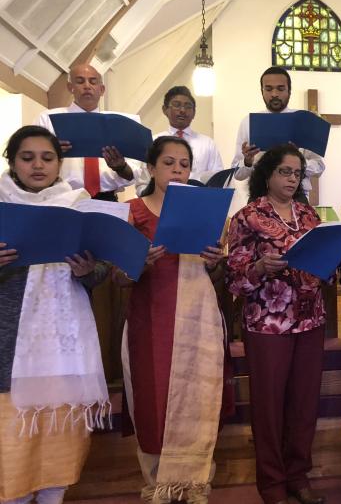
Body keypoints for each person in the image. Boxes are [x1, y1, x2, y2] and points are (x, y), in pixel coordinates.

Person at [0, 126, 109, 504]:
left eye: (47, 157)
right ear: (12, 163)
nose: (38, 165)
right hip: (11, 344)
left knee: (60, 437)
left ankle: (52, 495)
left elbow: (99, 272)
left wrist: (85, 270)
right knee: (11, 443)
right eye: (27, 158)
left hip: (63, 345)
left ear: (59, 163)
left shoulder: (78, 203)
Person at [116, 136, 226, 503]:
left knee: (200, 395)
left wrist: (214, 260)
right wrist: (138, 261)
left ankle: (195, 482)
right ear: (150, 168)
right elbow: (117, 274)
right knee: (153, 397)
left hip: (198, 315)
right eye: (169, 163)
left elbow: (215, 270)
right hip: (152, 315)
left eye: (184, 164)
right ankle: (158, 482)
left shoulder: (205, 211)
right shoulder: (134, 211)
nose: (178, 170)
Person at [226, 144, 329, 504]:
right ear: (267, 174)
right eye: (284, 171)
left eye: (297, 173)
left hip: (310, 320)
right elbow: (234, 278)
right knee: (269, 407)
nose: (292, 178)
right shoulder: (247, 217)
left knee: (304, 404)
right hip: (267, 323)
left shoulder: (308, 214)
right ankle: (272, 485)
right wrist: (258, 268)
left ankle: (298, 476)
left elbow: (323, 262)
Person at [34, 63, 142, 200]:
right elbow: (32, 161)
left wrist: (120, 166)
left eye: (93, 81)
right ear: (70, 87)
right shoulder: (48, 119)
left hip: (107, 198)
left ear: (102, 89)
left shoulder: (121, 123)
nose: (87, 86)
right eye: (80, 81)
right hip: (60, 197)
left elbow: (133, 174)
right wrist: (51, 154)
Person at [232, 67, 325, 203]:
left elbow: (319, 167)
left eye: (280, 89)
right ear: (262, 91)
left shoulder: (304, 122)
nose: (274, 94)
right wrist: (247, 161)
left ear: (289, 91)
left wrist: (298, 160)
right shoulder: (248, 123)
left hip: (296, 197)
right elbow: (237, 174)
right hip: (259, 196)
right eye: (268, 89)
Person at [135, 86, 224, 194]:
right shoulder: (153, 142)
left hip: (197, 203)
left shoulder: (208, 144)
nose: (182, 110)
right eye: (177, 105)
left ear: (194, 112)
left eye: (188, 106)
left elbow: (219, 180)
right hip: (159, 205)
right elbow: (142, 183)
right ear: (165, 110)